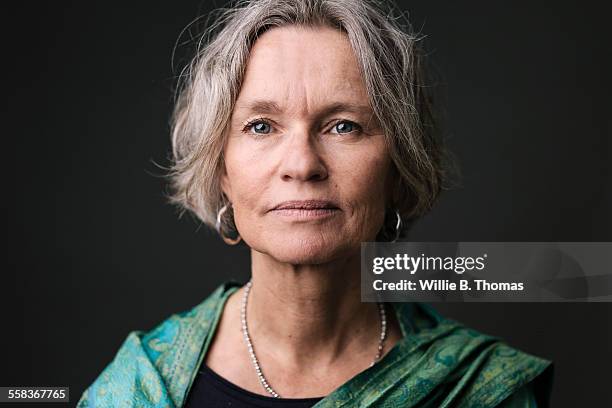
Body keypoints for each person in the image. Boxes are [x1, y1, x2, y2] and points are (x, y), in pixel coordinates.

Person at [77, 0, 553, 406]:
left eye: (344, 125)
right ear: (220, 168)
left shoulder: (477, 389)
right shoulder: (140, 386)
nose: (302, 164)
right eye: (261, 126)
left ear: (398, 165)